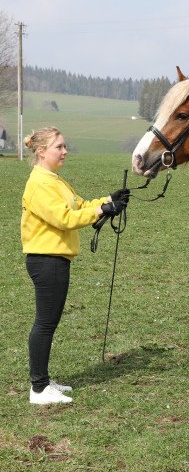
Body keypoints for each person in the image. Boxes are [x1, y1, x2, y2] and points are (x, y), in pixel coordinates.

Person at [21, 126, 129, 405]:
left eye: (64, 145)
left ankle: (43, 381)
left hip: (54, 259)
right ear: (42, 152)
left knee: (48, 322)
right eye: (59, 147)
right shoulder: (40, 184)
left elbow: (79, 206)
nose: (65, 151)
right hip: (47, 260)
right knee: (45, 324)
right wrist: (102, 211)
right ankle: (39, 389)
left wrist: (108, 200)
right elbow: (64, 219)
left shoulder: (54, 180)